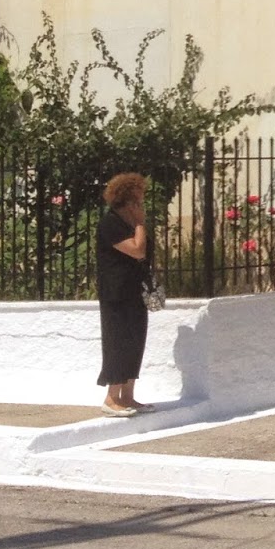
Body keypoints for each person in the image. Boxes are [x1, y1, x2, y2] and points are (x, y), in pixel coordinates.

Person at [96, 172, 152, 417]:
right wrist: (140, 223)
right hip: (116, 294)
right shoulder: (110, 224)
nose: (141, 205)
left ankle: (128, 396)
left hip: (134, 291)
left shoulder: (128, 225)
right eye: (137, 201)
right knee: (118, 342)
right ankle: (111, 398)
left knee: (135, 341)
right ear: (126, 200)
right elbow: (137, 251)